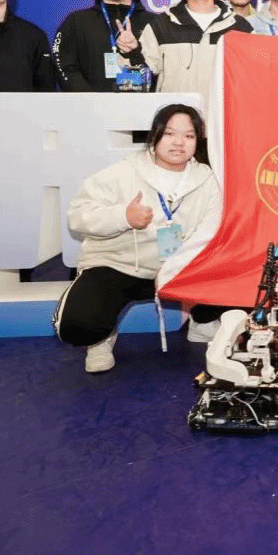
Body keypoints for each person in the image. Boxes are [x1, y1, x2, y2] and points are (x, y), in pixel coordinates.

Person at [54, 104, 223, 373]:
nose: (179, 142)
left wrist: (180, 264)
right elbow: (78, 216)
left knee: (243, 267)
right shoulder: (122, 173)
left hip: (177, 266)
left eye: (189, 136)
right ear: (155, 135)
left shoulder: (208, 180)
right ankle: (100, 338)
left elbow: (210, 231)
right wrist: (123, 217)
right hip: (119, 265)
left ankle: (202, 322)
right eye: (170, 134)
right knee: (78, 324)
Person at [126, 0, 252, 101]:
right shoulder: (161, 25)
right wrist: (131, 52)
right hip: (176, 114)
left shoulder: (240, 27)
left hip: (223, 114)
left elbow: (253, 78)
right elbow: (136, 80)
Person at [53, 0, 155, 92]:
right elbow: (63, 65)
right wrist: (90, 98)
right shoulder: (76, 21)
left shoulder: (155, 22)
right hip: (88, 104)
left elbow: (163, 72)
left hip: (142, 104)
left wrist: (136, 51)